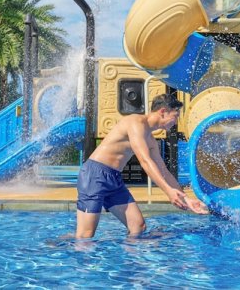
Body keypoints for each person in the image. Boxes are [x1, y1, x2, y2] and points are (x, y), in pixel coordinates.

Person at [75, 93, 208, 239]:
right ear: (163, 111)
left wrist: (186, 199)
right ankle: (58, 246)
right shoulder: (135, 123)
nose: (176, 122)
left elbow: (163, 171)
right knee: (86, 235)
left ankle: (130, 253)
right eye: (175, 116)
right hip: (95, 175)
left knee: (138, 226)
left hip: (113, 178)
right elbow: (145, 161)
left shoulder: (150, 139)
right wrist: (168, 191)